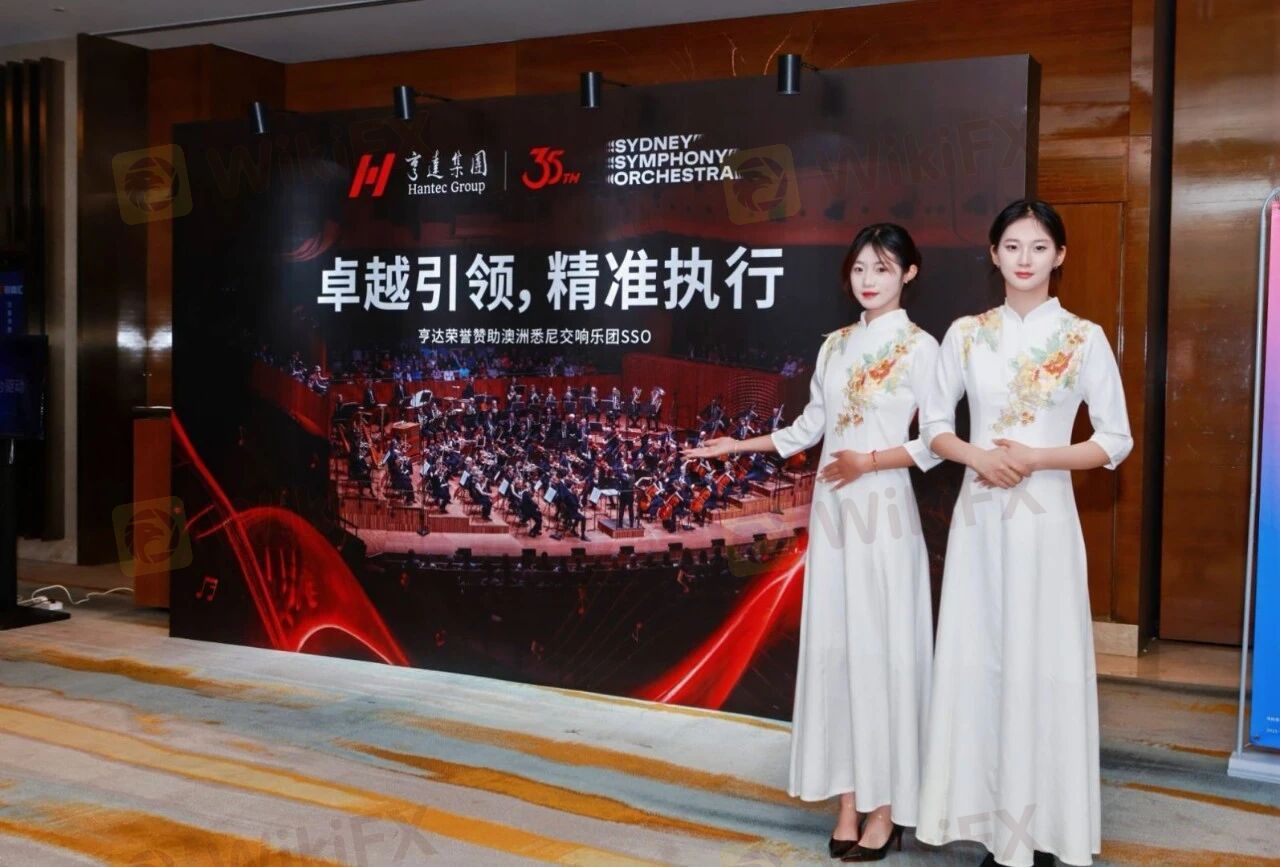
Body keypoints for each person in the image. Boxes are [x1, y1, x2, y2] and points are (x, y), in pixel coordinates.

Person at [687, 223, 940, 861]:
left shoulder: (921, 347)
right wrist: (737, 445)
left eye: (883, 268)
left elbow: (936, 443)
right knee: (840, 652)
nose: (869, 280)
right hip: (832, 515)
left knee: (883, 654)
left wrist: (869, 460)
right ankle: (849, 802)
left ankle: (887, 809)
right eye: (859, 268)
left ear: (909, 273)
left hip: (884, 510)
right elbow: (808, 428)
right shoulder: (835, 346)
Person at [915, 200, 1133, 867]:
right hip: (981, 521)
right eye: (1012, 246)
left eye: (1039, 247)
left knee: (1044, 666)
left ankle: (1043, 832)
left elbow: (1115, 440)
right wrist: (978, 456)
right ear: (994, 254)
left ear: (1059, 255)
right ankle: (993, 829)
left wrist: (1038, 457)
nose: (1025, 259)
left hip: (1046, 524)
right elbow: (933, 426)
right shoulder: (965, 334)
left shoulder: (1083, 338)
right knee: (982, 661)